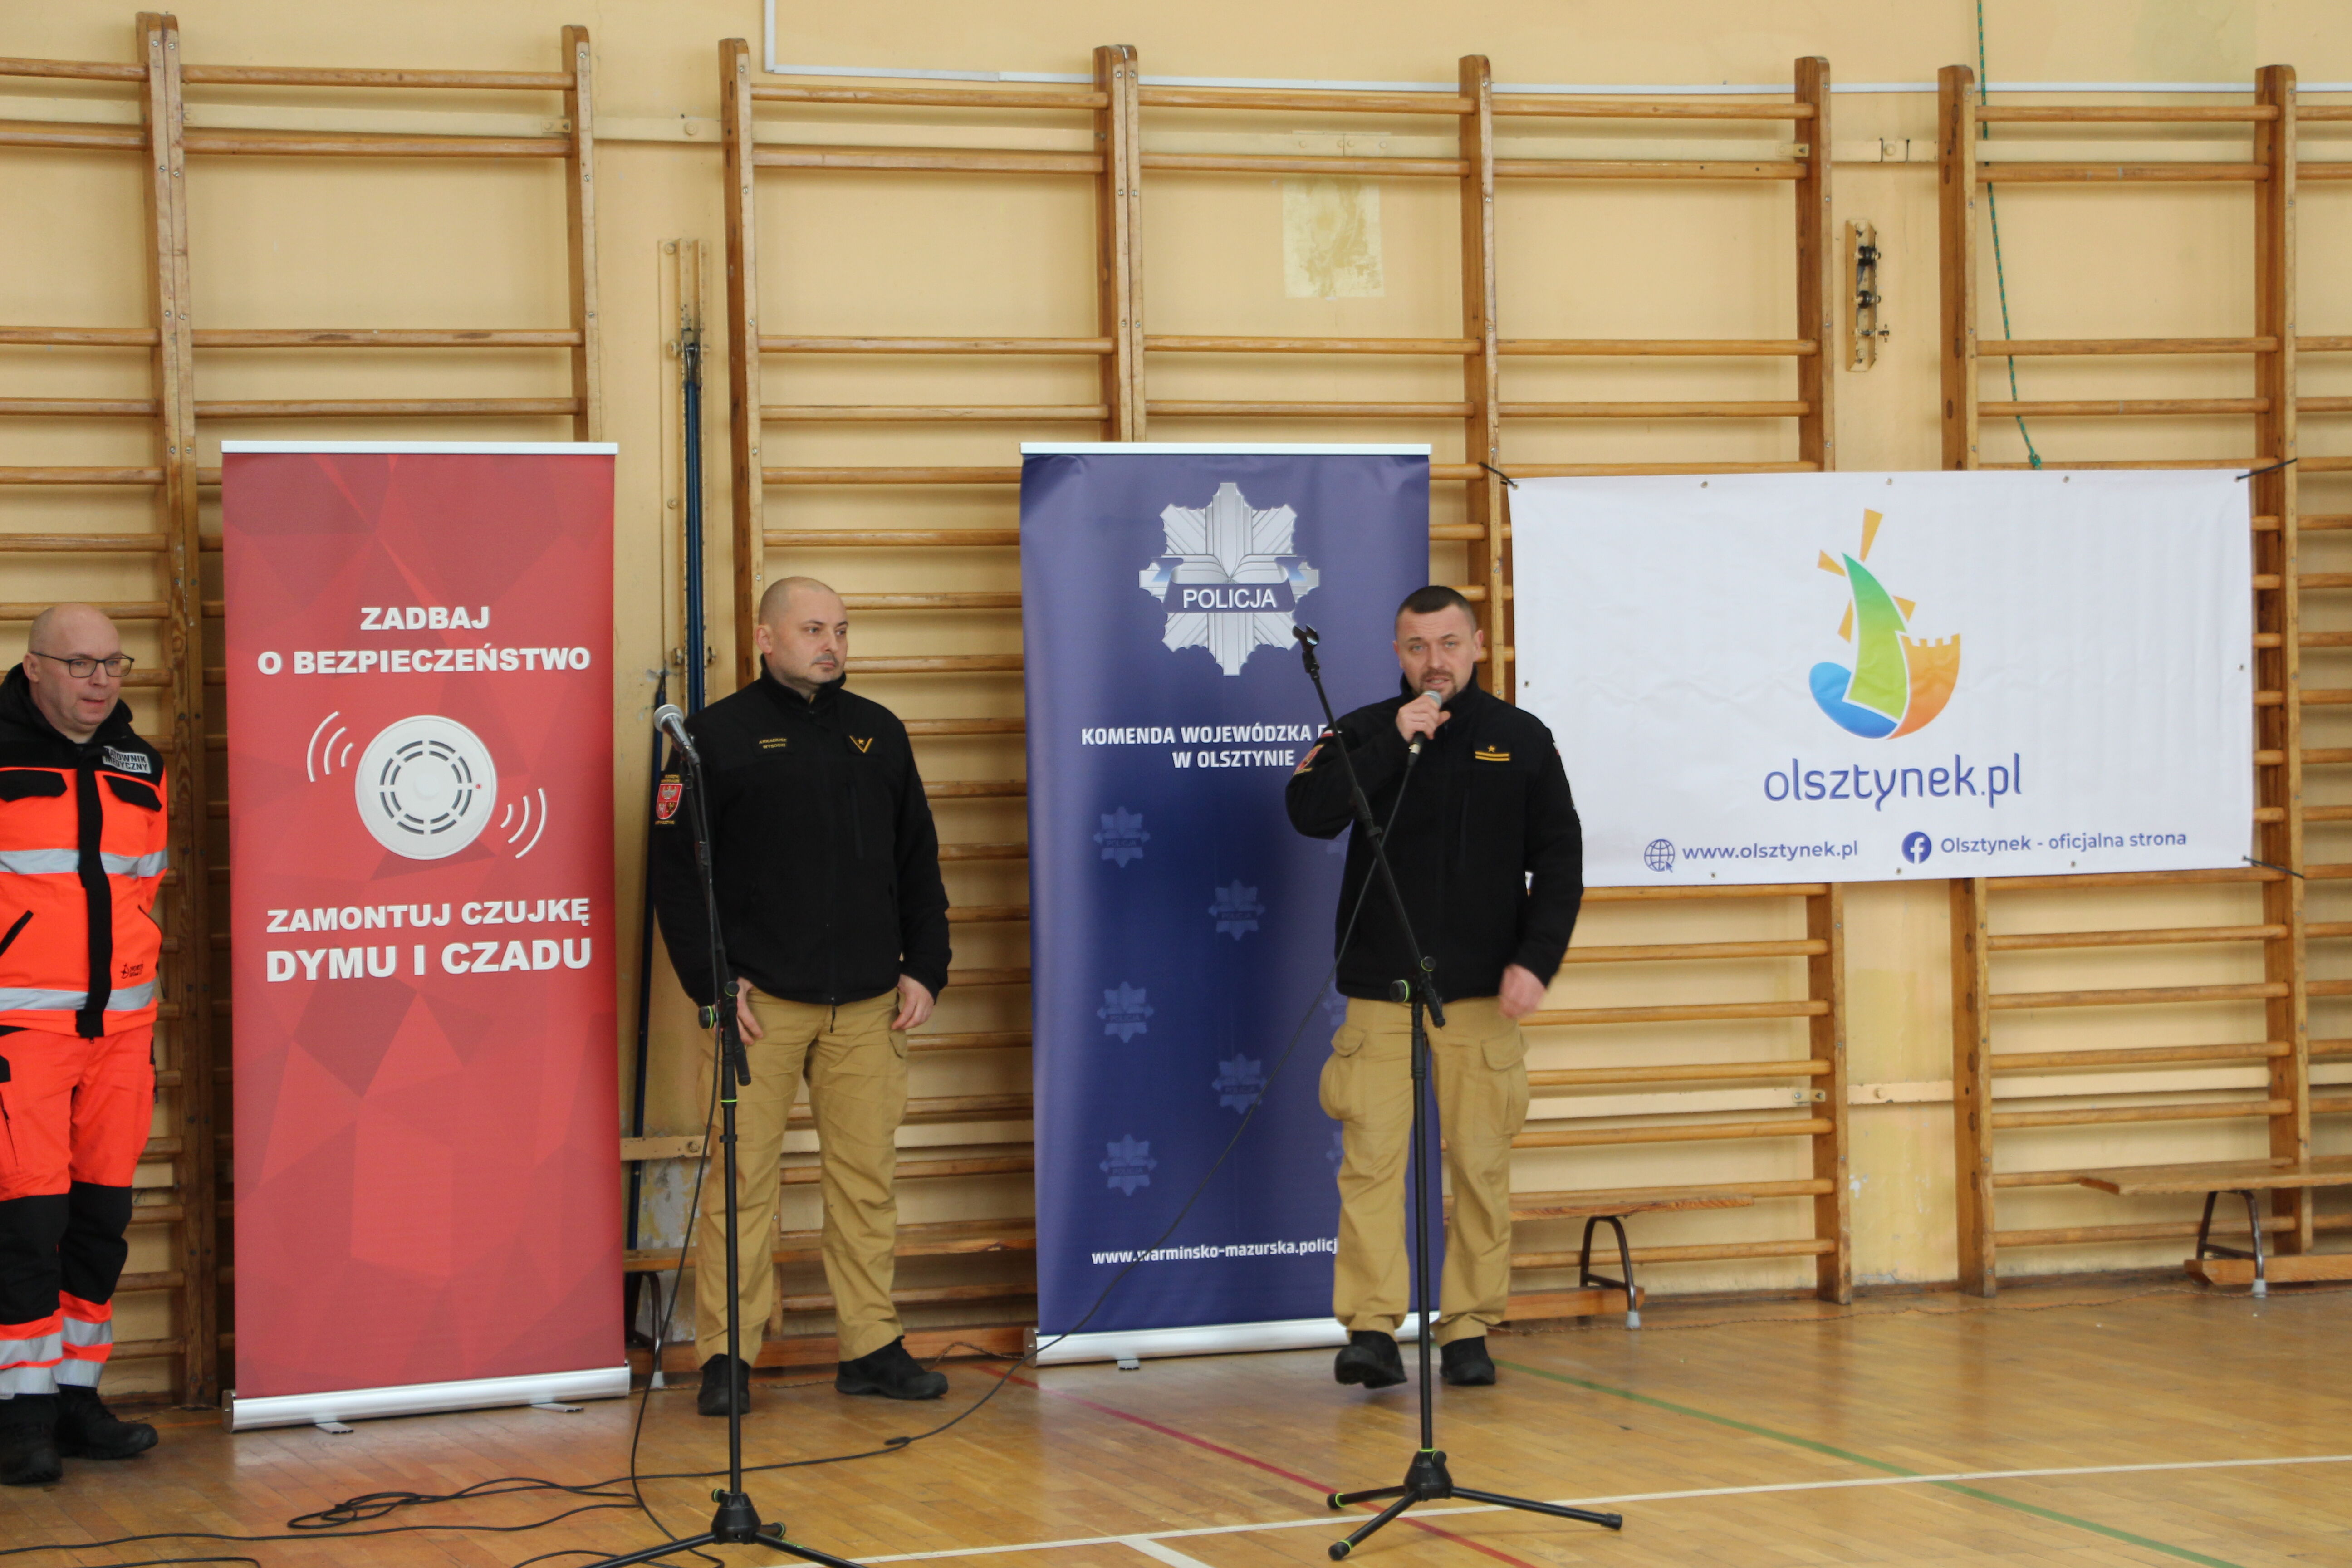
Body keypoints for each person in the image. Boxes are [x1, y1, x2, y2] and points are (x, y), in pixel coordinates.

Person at [651, 577, 953, 1411]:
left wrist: (926, 966)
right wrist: (714, 986)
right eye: (814, 629)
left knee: (865, 1182)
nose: (832, 645)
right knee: (742, 1186)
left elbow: (917, 857)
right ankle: (729, 1358)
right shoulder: (713, 739)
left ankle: (872, 1348)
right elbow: (677, 879)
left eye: (842, 631)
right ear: (765, 638)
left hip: (869, 1004)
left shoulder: (879, 732)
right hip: (760, 1009)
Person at [1284, 585, 1582, 1391]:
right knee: (1371, 1166)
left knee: (1480, 1169)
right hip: (1381, 994)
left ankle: (1468, 1328)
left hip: (1480, 998)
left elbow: (1560, 862)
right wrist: (1393, 740)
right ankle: (1372, 1329)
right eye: (1418, 647)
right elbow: (1308, 811)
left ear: (1478, 645)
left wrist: (1536, 961)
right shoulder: (1364, 730)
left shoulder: (1521, 740)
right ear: (1398, 653)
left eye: (1450, 644)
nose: (1435, 662)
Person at [0, 605, 168, 1485]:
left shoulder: (140, 764)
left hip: (122, 1037)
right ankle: (19, 1417)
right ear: (33, 667)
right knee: (28, 1227)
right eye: (80, 664)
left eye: (113, 663)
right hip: (21, 1035)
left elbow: (145, 888)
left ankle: (75, 1400)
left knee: (101, 1222)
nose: (101, 681)